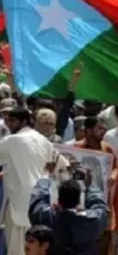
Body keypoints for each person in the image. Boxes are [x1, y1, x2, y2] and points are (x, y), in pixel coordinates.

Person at [0, 108, 68, 255]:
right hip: (40, 204)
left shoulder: (12, 140)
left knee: (17, 250)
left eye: (12, 121)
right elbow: (63, 165)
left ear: (24, 121)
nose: (9, 124)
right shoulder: (42, 140)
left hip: (20, 205)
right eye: (7, 121)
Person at [28, 158, 109, 255]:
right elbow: (100, 206)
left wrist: (46, 174)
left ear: (58, 201)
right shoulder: (92, 221)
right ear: (79, 201)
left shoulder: (47, 218)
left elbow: (37, 200)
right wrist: (89, 185)